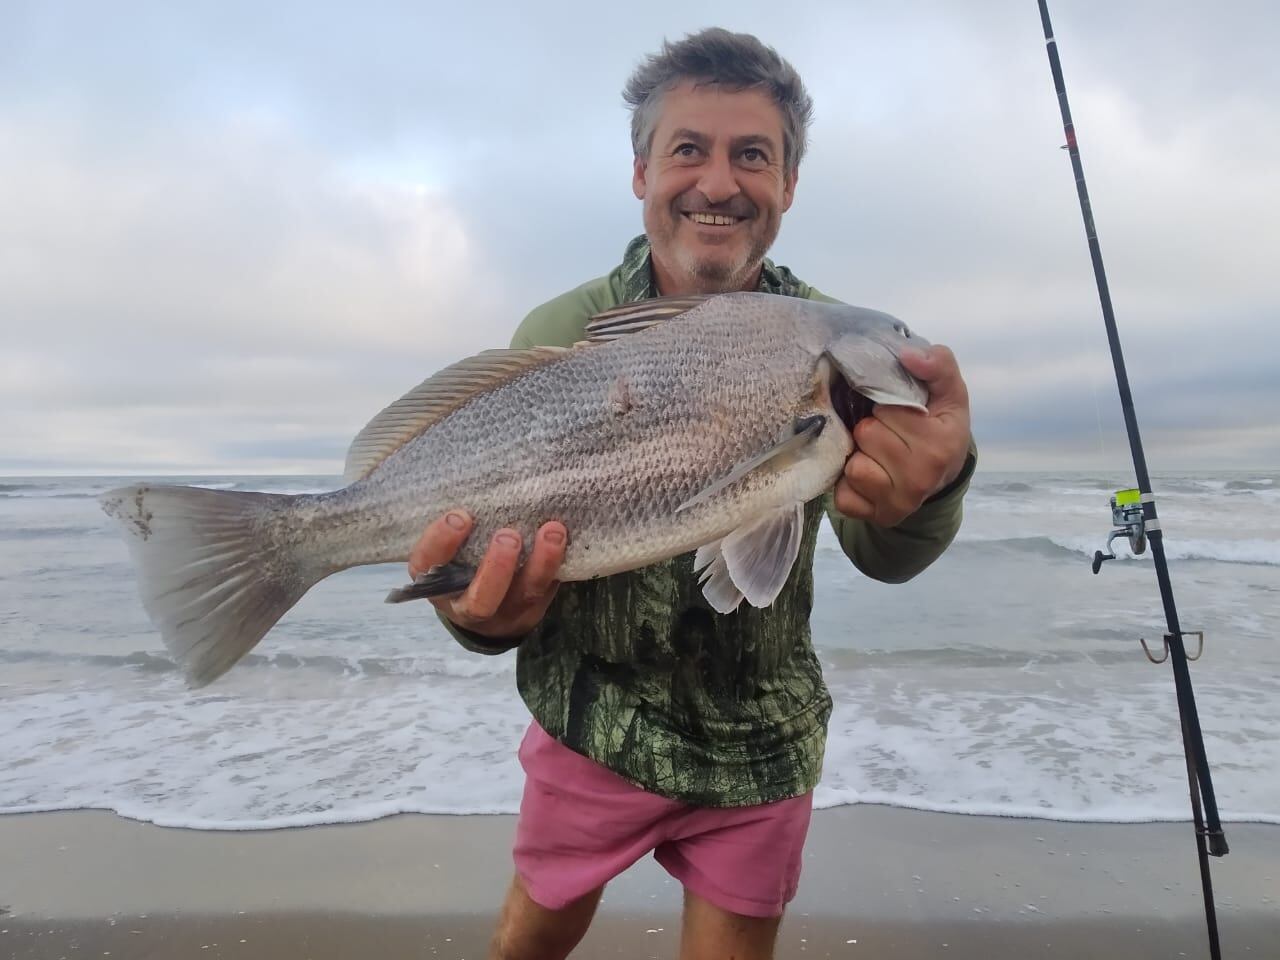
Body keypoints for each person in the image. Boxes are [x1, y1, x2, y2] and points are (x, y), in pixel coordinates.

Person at [409, 28, 975, 960]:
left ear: (788, 184)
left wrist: (940, 476)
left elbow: (887, 553)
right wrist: (481, 619)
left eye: (752, 154)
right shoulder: (562, 331)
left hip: (763, 736)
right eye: (688, 150)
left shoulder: (828, 339)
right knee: (529, 939)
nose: (719, 182)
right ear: (641, 173)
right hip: (589, 721)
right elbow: (478, 539)